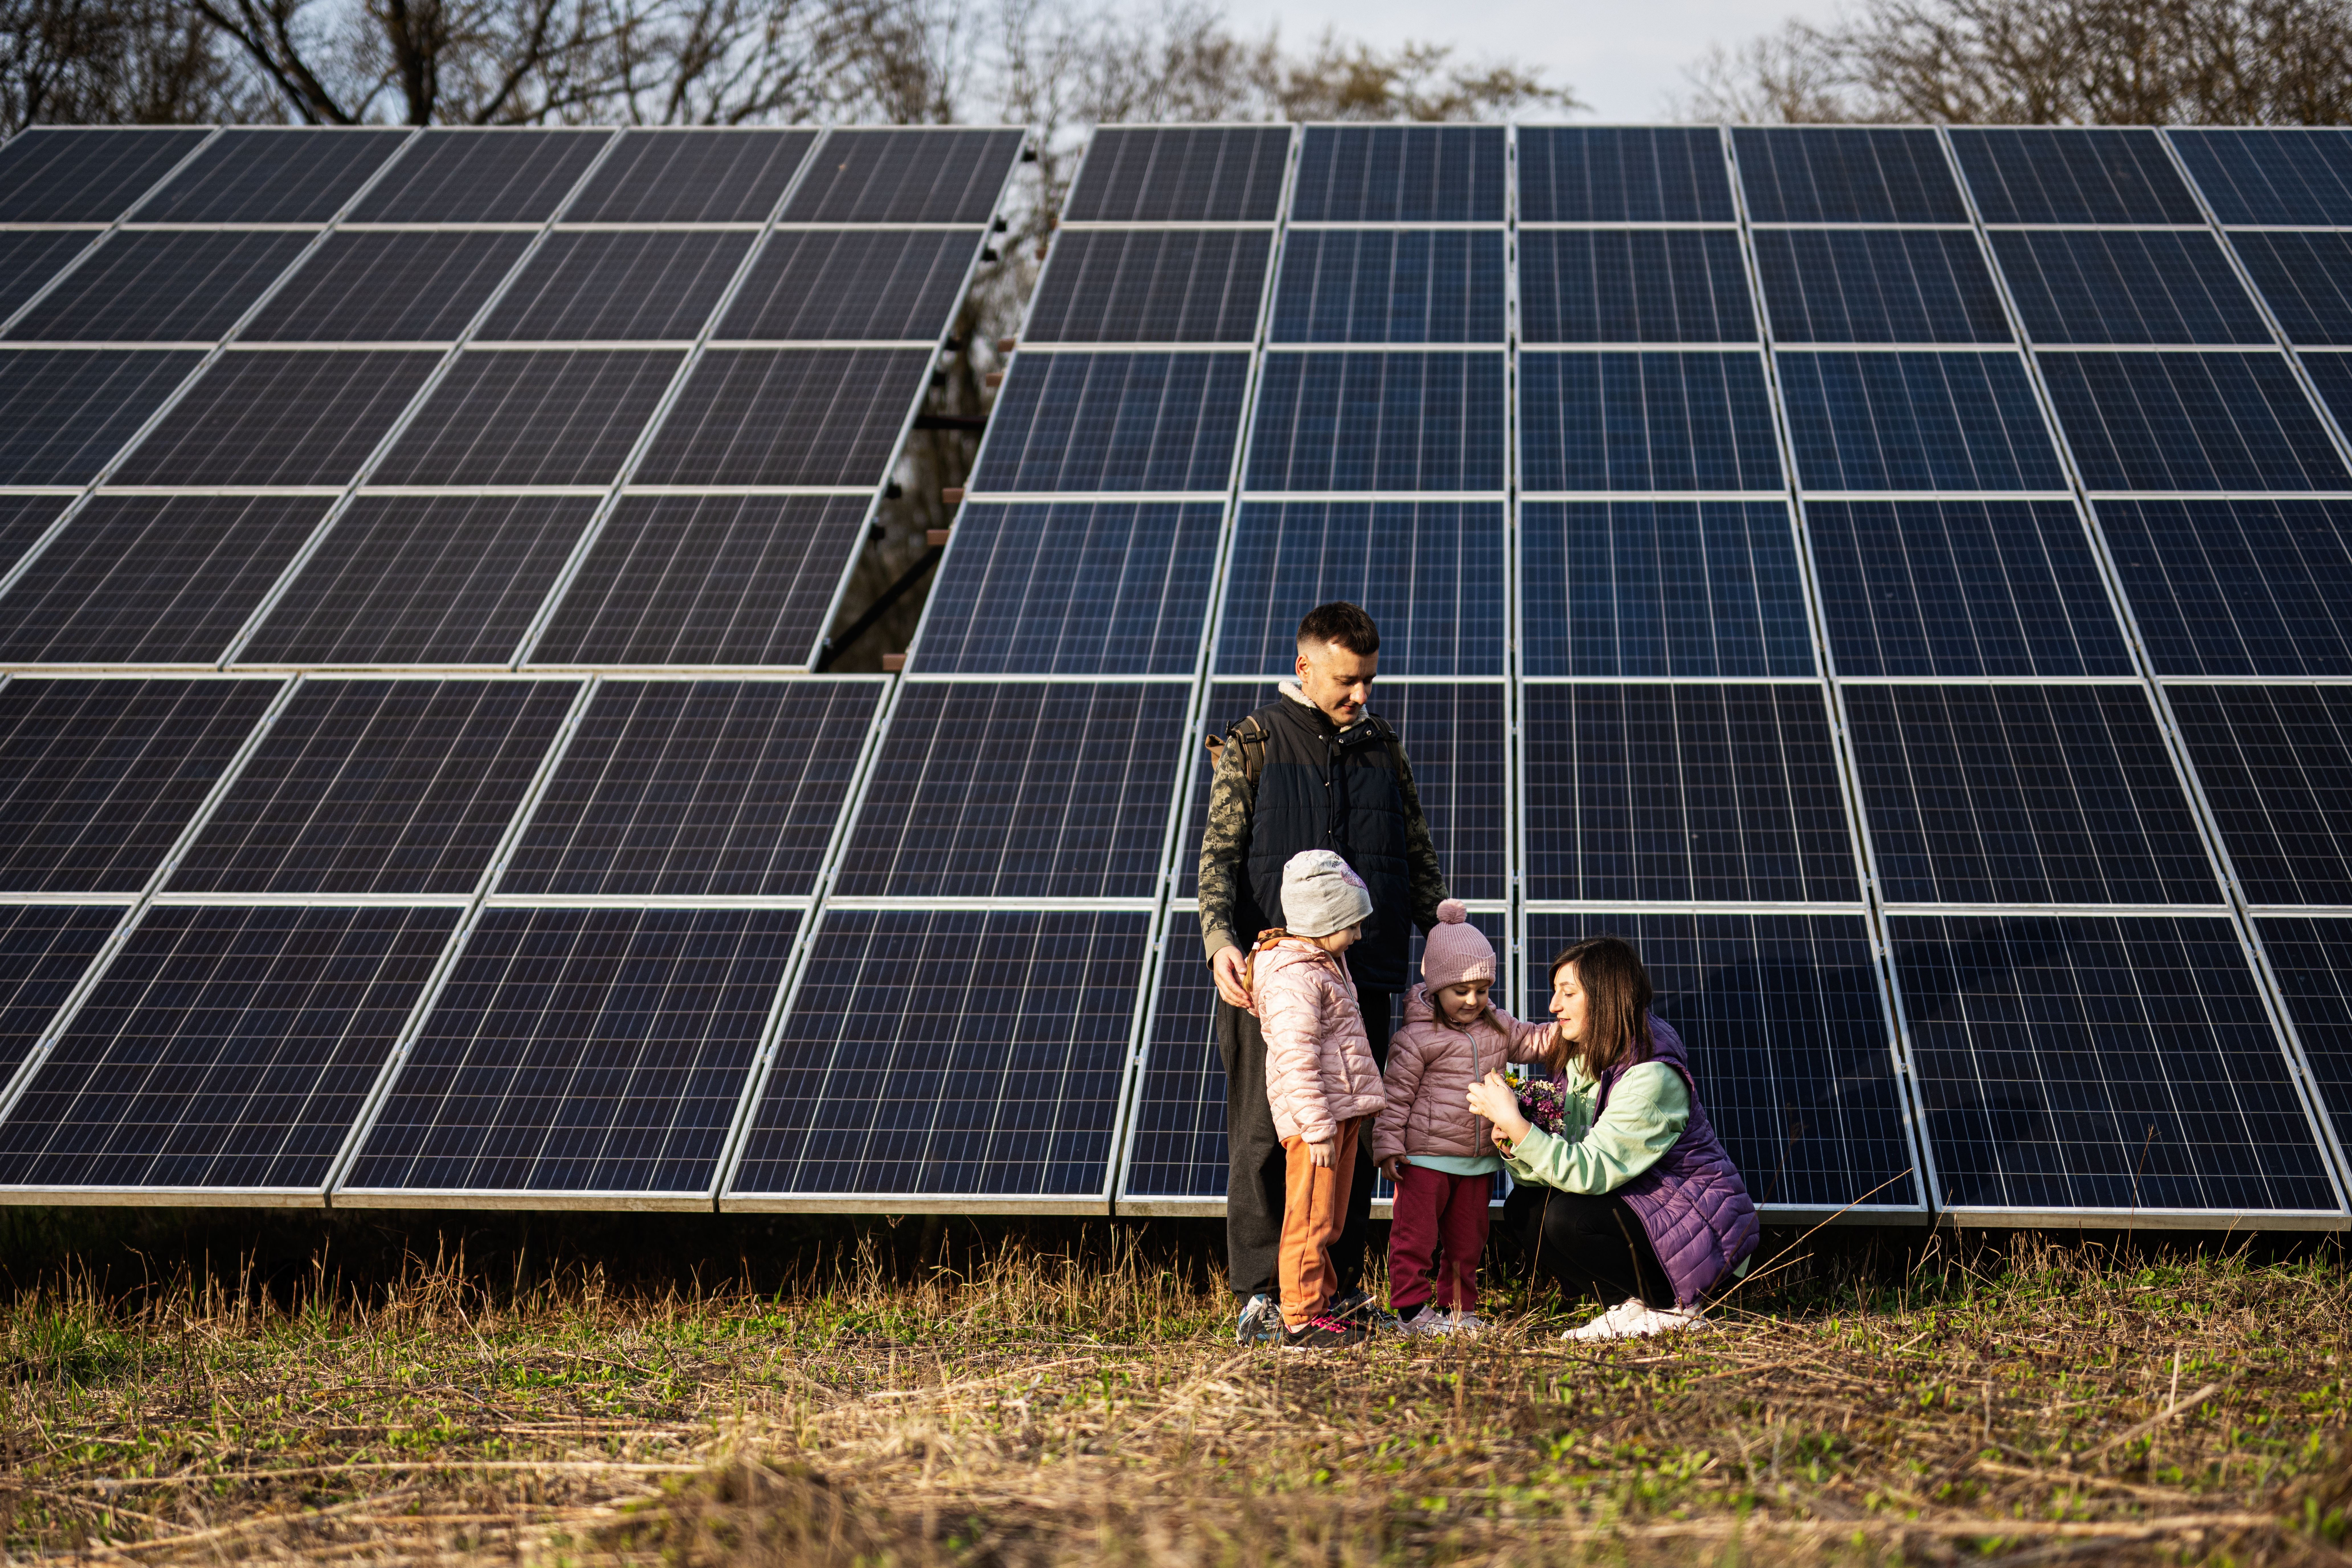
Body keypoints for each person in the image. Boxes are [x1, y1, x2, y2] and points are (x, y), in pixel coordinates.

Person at [1199, 602, 1450, 1346]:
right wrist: (1220, 940)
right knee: (1265, 1136)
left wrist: (1443, 924)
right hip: (1270, 978)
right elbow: (1217, 862)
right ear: (1306, 665)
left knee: (1349, 1135)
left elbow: (1414, 851)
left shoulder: (1383, 749)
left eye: (1370, 680)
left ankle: (1328, 1289)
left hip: (1362, 973)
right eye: (1348, 681)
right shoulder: (1253, 744)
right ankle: (1260, 1296)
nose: (1362, 695)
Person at [1465, 935, 1759, 1340]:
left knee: (1569, 1218)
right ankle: (1628, 1303)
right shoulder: (1584, 1057)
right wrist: (1516, 1144)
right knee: (1526, 1209)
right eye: (1555, 993)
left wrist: (1520, 1126)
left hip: (1692, 1226)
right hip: (1640, 1203)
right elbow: (1559, 1171)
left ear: (1606, 998)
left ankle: (1676, 1306)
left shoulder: (1652, 1077)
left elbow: (1591, 1171)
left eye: (1568, 994)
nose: (1553, 1007)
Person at [1372, 901, 1555, 1337]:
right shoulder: (1416, 1037)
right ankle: (1410, 1312)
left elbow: (1532, 1040)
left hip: (1477, 1160)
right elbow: (1395, 1097)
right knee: (1415, 1238)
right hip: (1425, 1158)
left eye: (1482, 989)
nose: (1473, 1000)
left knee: (1467, 1242)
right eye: (1461, 990)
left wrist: (1573, 1029)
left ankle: (1459, 1311)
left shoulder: (1496, 1026)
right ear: (1436, 987)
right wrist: (1388, 1146)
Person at [1250, 850, 1387, 1349]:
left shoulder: (1324, 963)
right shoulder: (1295, 977)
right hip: (1317, 1124)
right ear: (1322, 919)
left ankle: (1322, 1307)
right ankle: (1302, 1317)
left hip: (1339, 1113)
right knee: (1310, 1217)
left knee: (1328, 1217)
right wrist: (1316, 1127)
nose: (1356, 935)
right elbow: (1296, 1058)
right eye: (1350, 923)